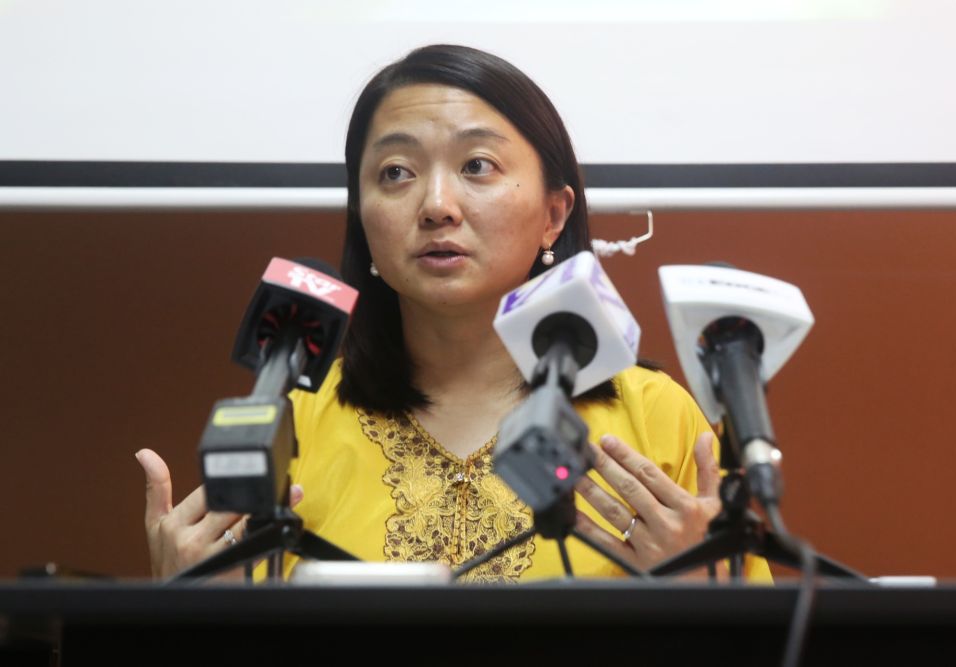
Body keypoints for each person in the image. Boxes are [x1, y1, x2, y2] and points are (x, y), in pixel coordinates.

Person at [137, 44, 770, 583]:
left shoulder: (654, 418)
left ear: (554, 214)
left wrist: (709, 599)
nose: (437, 204)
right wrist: (192, 614)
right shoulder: (291, 426)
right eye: (396, 172)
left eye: (477, 166)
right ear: (362, 217)